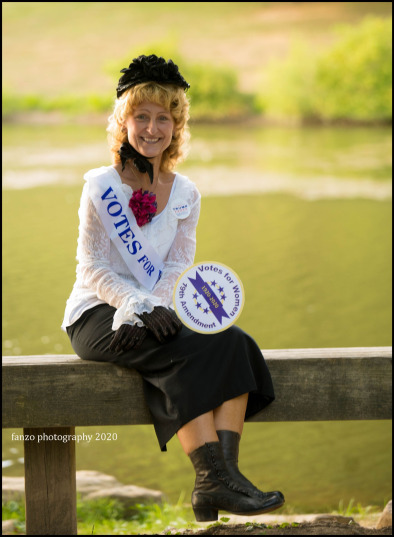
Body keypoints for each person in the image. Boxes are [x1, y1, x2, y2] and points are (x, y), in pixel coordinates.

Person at [62, 54, 284, 522]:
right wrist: (135, 304)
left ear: (176, 125)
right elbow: (92, 265)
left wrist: (156, 303)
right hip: (98, 312)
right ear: (123, 123)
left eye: (163, 117)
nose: (151, 128)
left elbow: (180, 265)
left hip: (157, 307)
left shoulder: (185, 193)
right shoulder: (100, 186)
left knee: (234, 342)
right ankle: (214, 482)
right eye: (140, 116)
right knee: (183, 350)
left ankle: (222, 479)